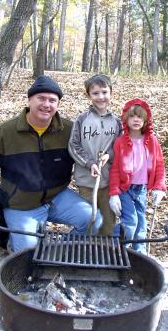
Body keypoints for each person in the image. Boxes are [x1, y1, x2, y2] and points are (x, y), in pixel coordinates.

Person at [0, 75, 102, 252]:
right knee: (27, 252)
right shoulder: (4, 133)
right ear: (30, 100)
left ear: (58, 105)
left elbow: (94, 148)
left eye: (52, 100)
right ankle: (17, 243)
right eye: (41, 98)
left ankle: (59, 252)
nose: (46, 104)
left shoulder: (70, 131)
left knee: (95, 220)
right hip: (21, 204)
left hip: (57, 197)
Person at [108, 98, 166, 252]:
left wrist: (159, 187)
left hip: (141, 189)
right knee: (130, 221)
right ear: (126, 119)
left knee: (141, 224)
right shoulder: (120, 142)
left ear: (145, 120)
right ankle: (118, 250)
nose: (136, 120)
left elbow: (159, 164)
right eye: (132, 116)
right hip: (125, 189)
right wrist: (114, 194)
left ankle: (139, 255)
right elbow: (114, 169)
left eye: (140, 117)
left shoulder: (152, 141)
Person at [68, 74, 122, 235]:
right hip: (86, 181)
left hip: (108, 181)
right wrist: (89, 163)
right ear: (88, 95)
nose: (101, 97)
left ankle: (105, 252)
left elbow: (119, 147)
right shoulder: (82, 119)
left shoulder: (116, 122)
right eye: (95, 93)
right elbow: (73, 145)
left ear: (111, 93)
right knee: (89, 219)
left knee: (107, 222)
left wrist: (109, 155)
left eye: (104, 92)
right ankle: (85, 251)